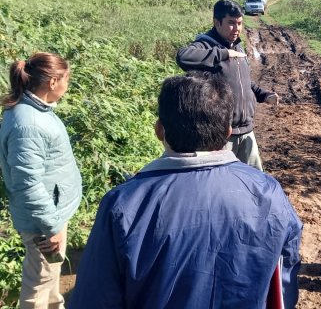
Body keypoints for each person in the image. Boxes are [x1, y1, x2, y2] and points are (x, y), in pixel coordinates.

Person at [69, 71, 302, 309]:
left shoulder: (123, 205)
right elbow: (283, 286)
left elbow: (93, 298)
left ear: (159, 130)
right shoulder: (267, 192)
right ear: (228, 131)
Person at [0, 52, 82, 309]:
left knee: (49, 275)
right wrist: (52, 225)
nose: (69, 85)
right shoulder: (29, 124)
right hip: (44, 222)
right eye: (67, 79)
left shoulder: (35, 109)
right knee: (37, 285)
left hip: (51, 215)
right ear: (53, 82)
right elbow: (27, 184)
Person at [176, 0, 278, 171]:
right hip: (221, 134)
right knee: (221, 180)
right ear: (217, 22)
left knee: (253, 179)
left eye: (239, 23)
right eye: (231, 23)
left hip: (246, 130)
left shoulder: (237, 45)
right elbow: (183, 56)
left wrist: (262, 94)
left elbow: (243, 80)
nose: (236, 29)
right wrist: (223, 54)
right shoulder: (206, 44)